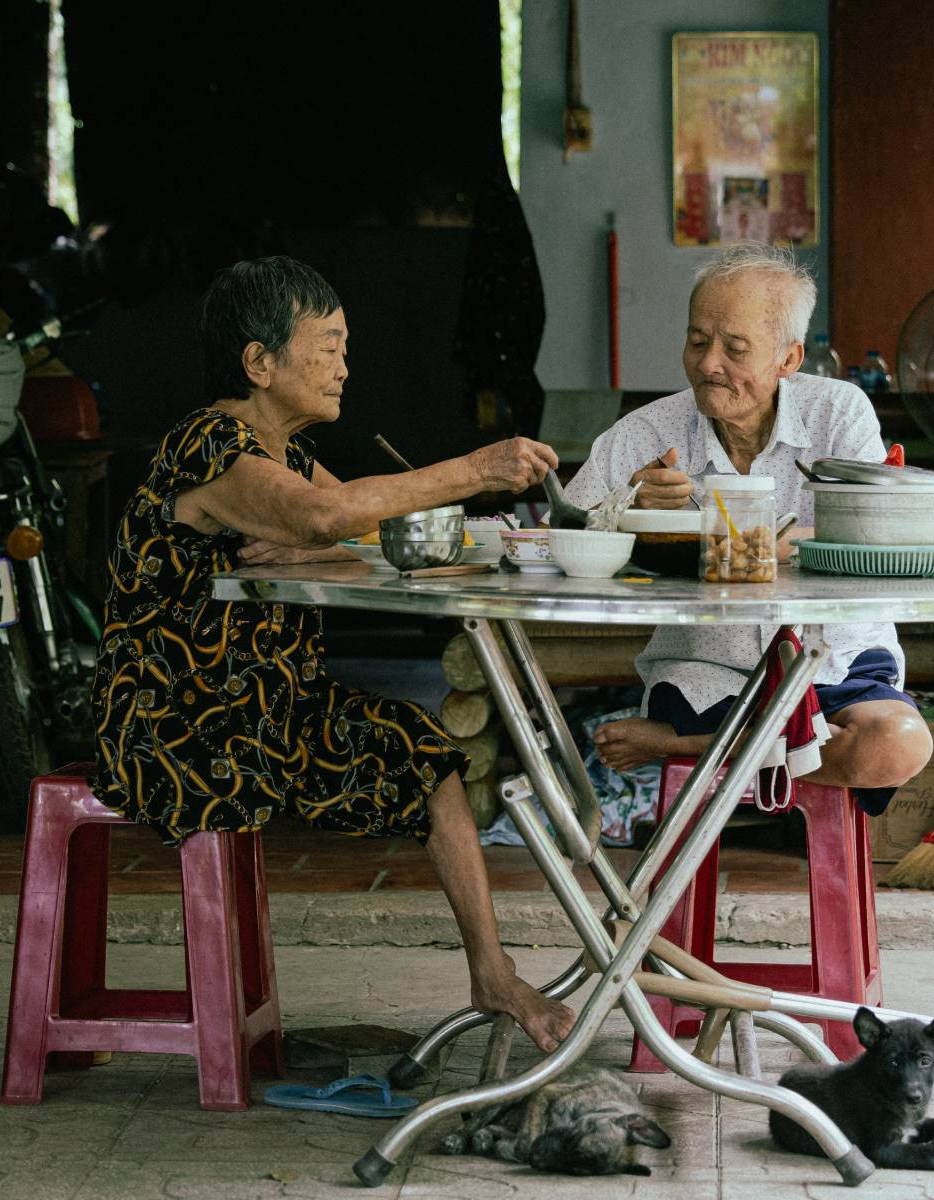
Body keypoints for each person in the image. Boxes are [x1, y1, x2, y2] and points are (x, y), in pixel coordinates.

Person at [90, 256, 574, 1052]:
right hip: (179, 728)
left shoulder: (277, 453)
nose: (345, 365)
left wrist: (318, 547)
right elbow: (327, 516)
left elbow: (350, 531)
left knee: (427, 753)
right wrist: (477, 469)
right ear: (260, 362)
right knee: (414, 745)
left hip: (267, 713)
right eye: (328, 345)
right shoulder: (209, 444)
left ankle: (492, 973)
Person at [565, 243, 932, 812]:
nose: (709, 364)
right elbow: (564, 531)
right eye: (697, 341)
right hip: (708, 673)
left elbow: (871, 522)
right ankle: (744, 742)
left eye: (735, 349)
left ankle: (688, 748)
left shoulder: (839, 411)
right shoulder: (648, 432)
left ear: (788, 359)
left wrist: (774, 543)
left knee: (897, 747)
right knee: (816, 739)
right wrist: (627, 502)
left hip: (836, 660)